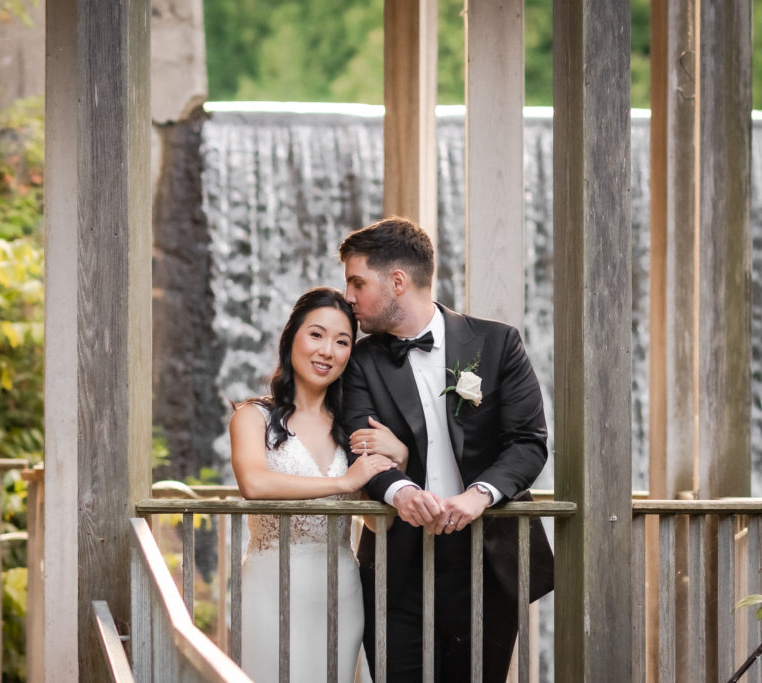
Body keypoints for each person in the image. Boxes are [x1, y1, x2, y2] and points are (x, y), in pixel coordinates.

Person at [338, 217, 554, 682]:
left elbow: (527, 442)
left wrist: (477, 496)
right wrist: (400, 490)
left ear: (398, 281)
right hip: (396, 564)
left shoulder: (498, 343)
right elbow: (358, 443)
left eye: (357, 282)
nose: (349, 296)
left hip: (487, 559)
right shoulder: (359, 360)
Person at [229, 287, 406, 683]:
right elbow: (254, 484)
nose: (327, 350)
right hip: (269, 585)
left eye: (342, 341)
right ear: (291, 337)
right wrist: (344, 481)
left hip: (340, 589)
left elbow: (382, 525)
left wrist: (400, 459)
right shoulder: (253, 416)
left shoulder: (353, 427)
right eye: (316, 335)